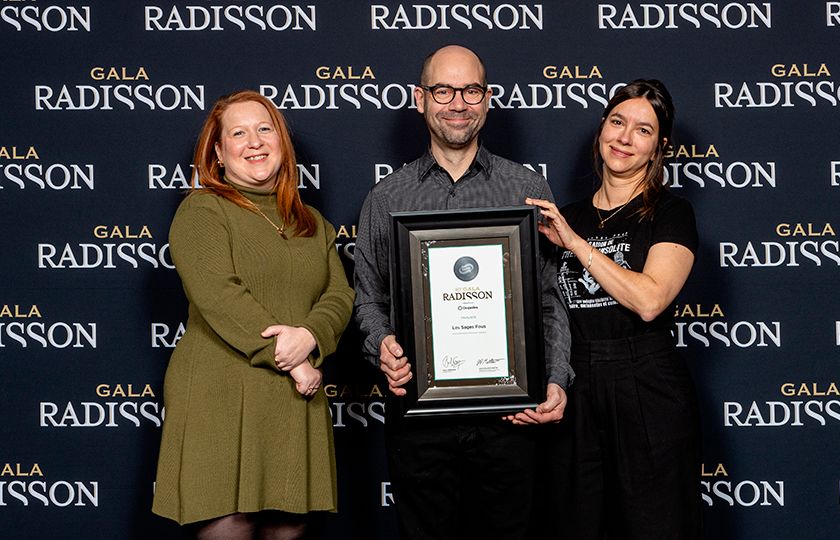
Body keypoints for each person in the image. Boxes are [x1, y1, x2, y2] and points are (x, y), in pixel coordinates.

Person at [353, 45, 573, 540]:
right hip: (420, 417)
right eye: (443, 90)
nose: (458, 103)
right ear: (420, 99)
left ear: (488, 99)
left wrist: (555, 377)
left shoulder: (527, 188)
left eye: (471, 90)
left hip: (511, 415)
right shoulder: (386, 198)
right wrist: (382, 345)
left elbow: (549, 298)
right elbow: (368, 298)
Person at [153, 90, 355, 539]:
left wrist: (311, 336)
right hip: (219, 392)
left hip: (291, 398)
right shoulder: (202, 210)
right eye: (238, 133)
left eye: (265, 129)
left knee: (289, 526)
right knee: (230, 523)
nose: (255, 142)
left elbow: (339, 296)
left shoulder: (312, 222)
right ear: (218, 154)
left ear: (282, 144)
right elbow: (221, 296)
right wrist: (293, 357)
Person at [527, 79, 702, 539]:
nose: (624, 138)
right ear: (601, 127)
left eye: (642, 130)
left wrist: (576, 244)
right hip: (577, 390)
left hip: (648, 387)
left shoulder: (670, 212)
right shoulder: (567, 217)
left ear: (659, 147)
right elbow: (546, 314)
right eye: (617, 122)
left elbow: (649, 300)